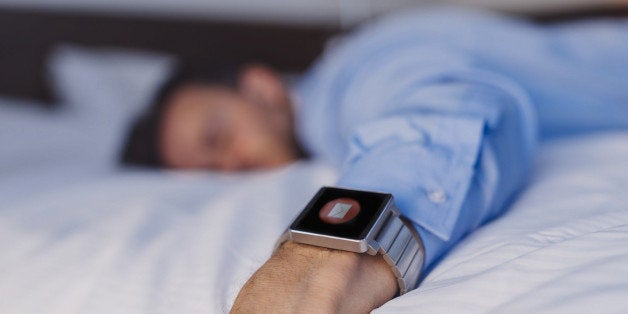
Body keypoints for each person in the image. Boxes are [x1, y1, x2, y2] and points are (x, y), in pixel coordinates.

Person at [121, 7, 628, 312]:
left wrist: (319, 267)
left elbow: (448, 106)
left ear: (260, 87)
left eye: (217, 138)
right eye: (208, 172)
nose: (228, 168)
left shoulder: (352, 75)